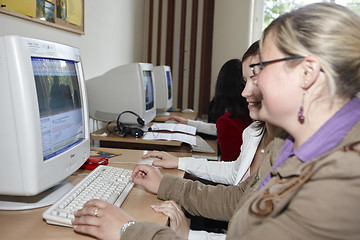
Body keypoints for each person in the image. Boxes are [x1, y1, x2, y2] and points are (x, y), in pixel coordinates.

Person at [73, 3, 360, 239]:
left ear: (307, 73)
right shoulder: (287, 145)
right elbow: (238, 200)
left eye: (261, 70)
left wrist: (128, 230)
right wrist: (166, 186)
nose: (248, 90)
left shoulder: (340, 183)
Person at [170, 59, 252, 161]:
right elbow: (219, 128)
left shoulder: (231, 120)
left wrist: (196, 168)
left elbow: (227, 166)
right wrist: (188, 123)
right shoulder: (245, 112)